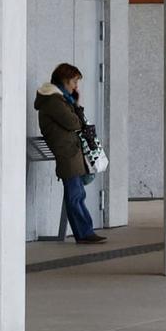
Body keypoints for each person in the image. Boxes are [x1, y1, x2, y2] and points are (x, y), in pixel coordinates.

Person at [34, 63, 107, 245]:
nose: (76, 86)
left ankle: (85, 232)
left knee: (77, 193)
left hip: (71, 151)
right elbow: (74, 123)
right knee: (75, 194)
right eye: (74, 81)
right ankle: (84, 233)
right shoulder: (53, 100)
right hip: (67, 152)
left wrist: (75, 102)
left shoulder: (61, 99)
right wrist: (75, 107)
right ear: (65, 80)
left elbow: (77, 120)